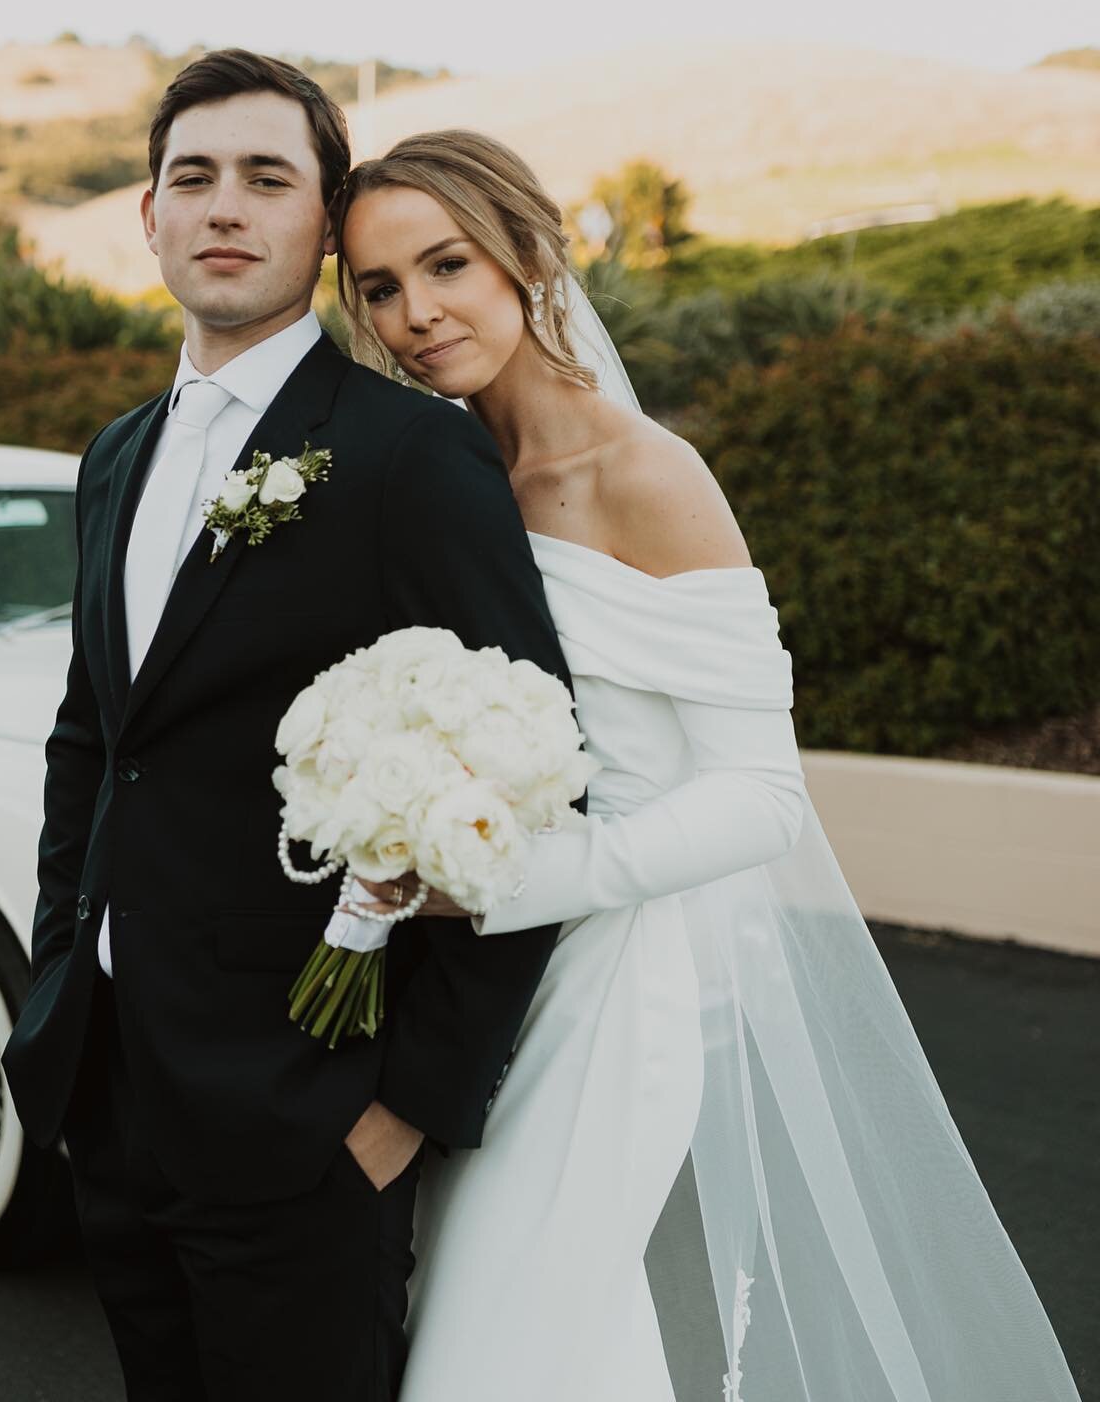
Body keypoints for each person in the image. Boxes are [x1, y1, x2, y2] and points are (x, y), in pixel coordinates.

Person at [333, 128, 1082, 1402]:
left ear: (525, 253)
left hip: (617, 983)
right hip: (467, 987)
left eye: (445, 265)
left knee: (493, 1350)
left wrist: (521, 877)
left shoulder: (645, 473)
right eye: (379, 290)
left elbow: (762, 793)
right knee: (548, 1338)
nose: (416, 314)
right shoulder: (452, 480)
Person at [0, 54, 578, 1402]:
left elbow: (529, 783)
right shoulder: (116, 454)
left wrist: (407, 1112)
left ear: (325, 224)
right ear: (146, 214)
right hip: (113, 1090)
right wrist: (56, 987)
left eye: (269, 179)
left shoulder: (407, 453)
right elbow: (94, 742)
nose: (223, 207)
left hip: (307, 1123)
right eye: (191, 177)